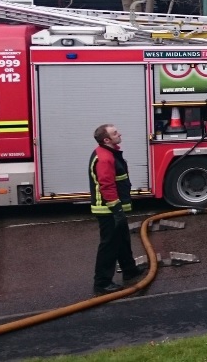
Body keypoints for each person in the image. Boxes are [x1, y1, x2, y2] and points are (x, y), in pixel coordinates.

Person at [89, 124, 144, 294]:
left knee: (122, 240)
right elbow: (107, 185)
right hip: (108, 210)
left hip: (113, 208)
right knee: (110, 245)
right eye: (115, 133)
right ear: (106, 140)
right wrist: (117, 210)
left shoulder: (109, 153)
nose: (119, 134)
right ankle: (102, 283)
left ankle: (129, 270)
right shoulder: (105, 158)